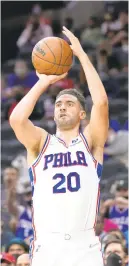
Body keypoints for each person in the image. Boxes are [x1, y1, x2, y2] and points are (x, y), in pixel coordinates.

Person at [10, 26, 109, 266]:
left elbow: (102, 102)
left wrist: (82, 56)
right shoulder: (40, 142)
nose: (62, 106)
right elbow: (16, 120)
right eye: (58, 104)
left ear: (82, 112)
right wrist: (43, 82)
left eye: (69, 103)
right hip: (48, 246)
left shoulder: (91, 141)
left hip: (84, 245)